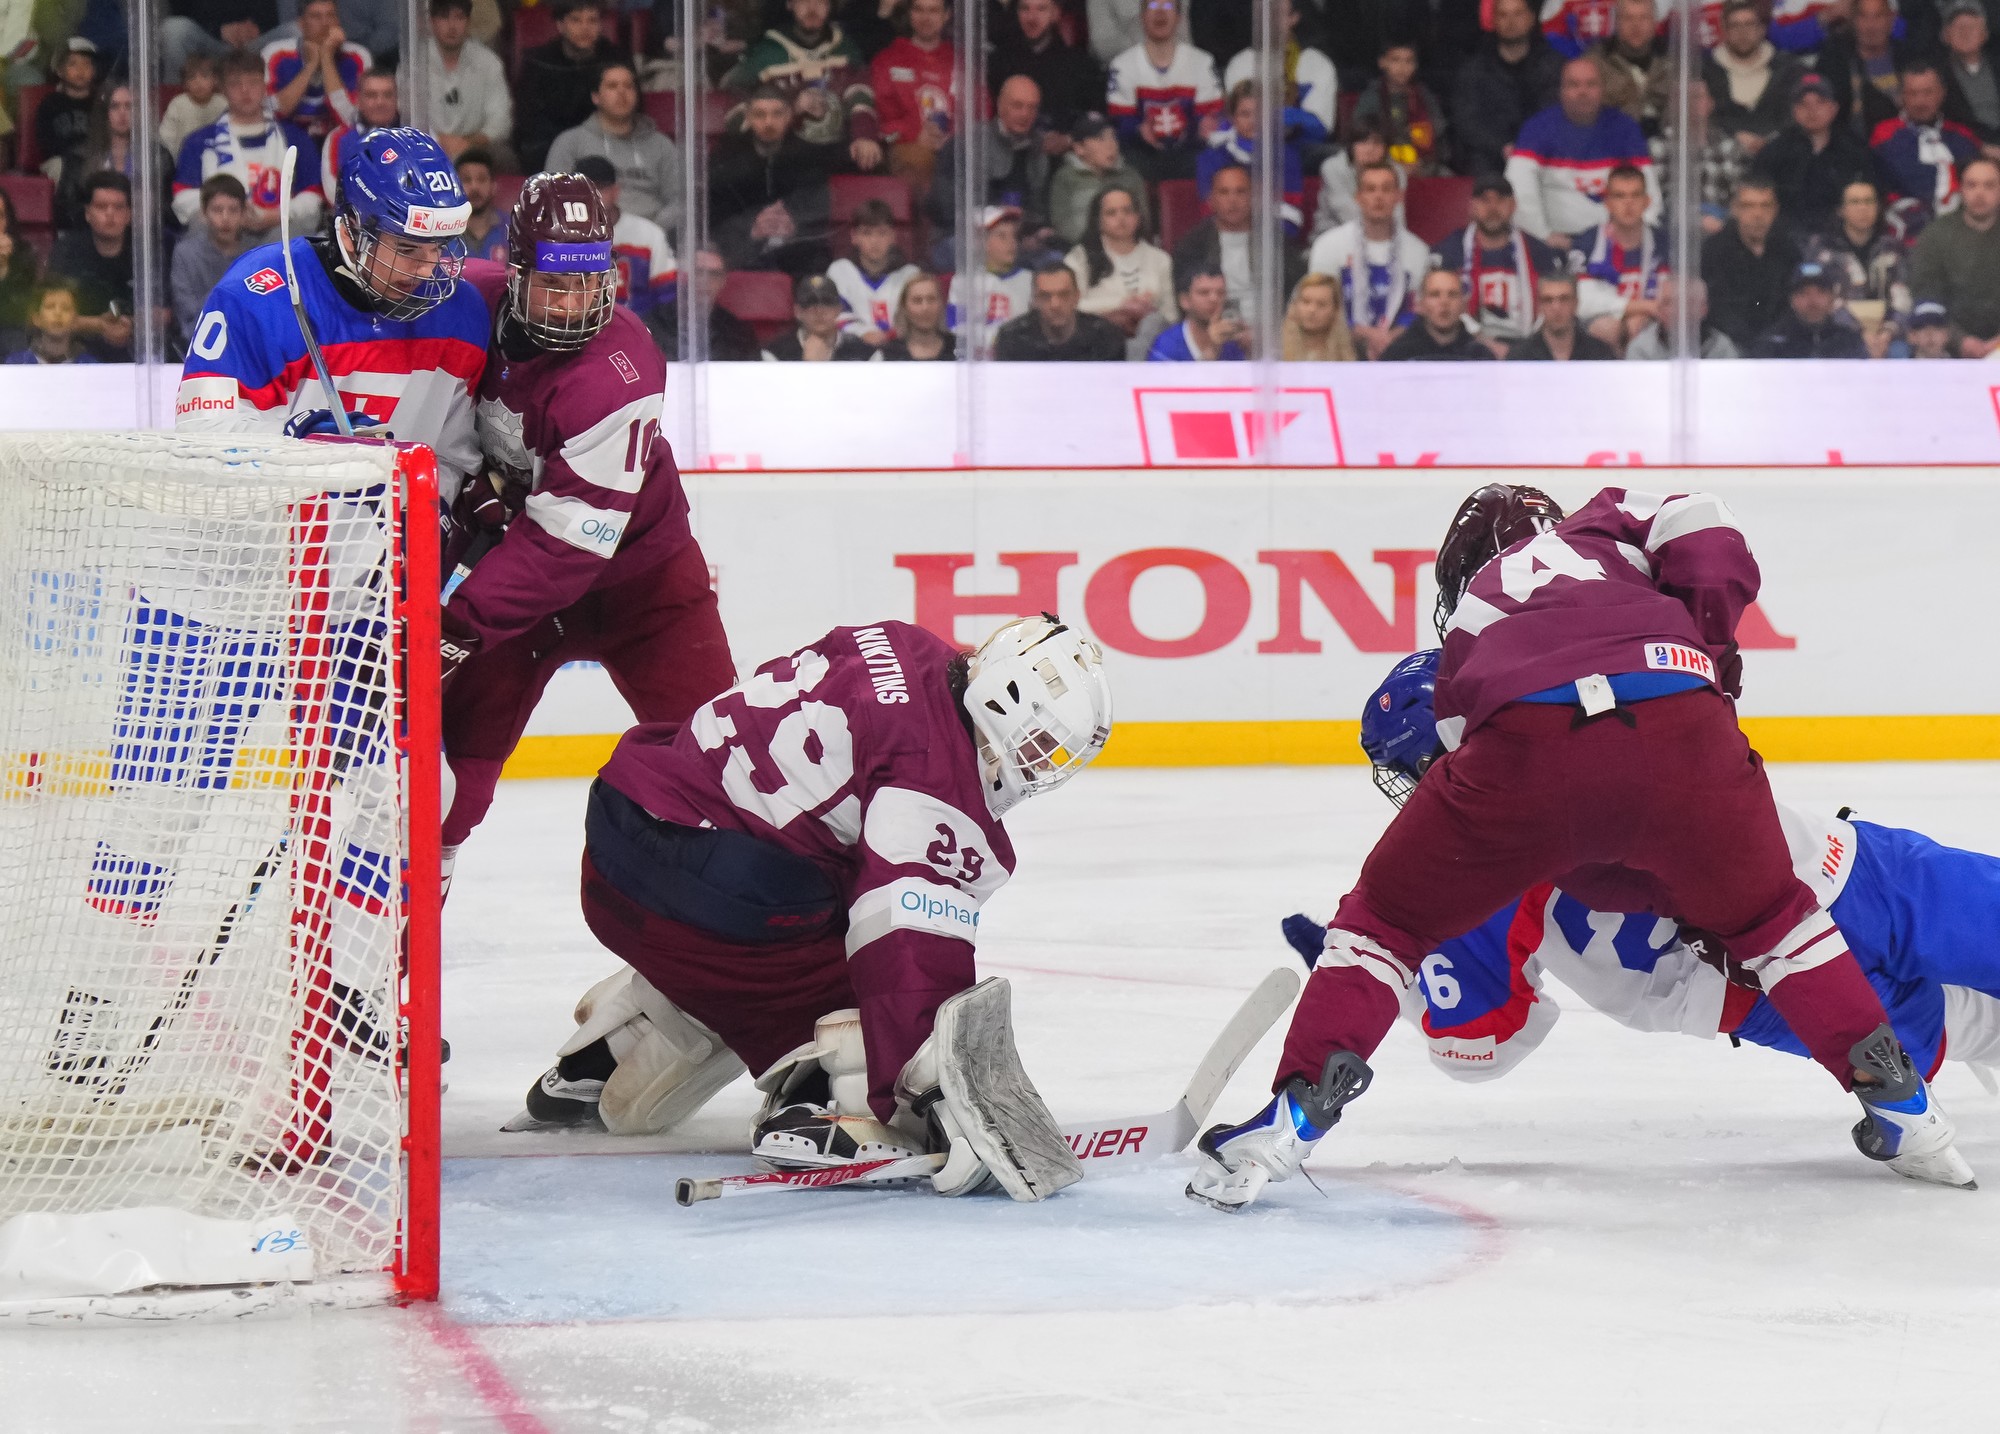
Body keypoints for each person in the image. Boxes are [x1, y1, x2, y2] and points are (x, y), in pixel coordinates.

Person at [1189, 482, 1965, 1213]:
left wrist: (1394, 983)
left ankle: (1287, 1125)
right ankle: (1907, 1113)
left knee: (1380, 926)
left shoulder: (1473, 636)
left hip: (1624, 862)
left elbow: (1480, 1038)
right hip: (1779, 816)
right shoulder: (1606, 526)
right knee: (1781, 926)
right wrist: (1708, 666)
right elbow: (1706, 527)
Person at [510, 614, 1111, 1209]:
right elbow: (910, 945)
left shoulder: (902, 643)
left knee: (821, 876)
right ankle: (822, 1104)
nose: (1037, 769)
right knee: (862, 999)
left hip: (626, 828)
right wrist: (936, 1091)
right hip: (701, 899)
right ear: (997, 703)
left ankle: (605, 1053)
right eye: (1036, 746)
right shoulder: (932, 779)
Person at [1310, 650, 2000, 1118]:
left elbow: (1481, 1049)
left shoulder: (1461, 879)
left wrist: (1385, 976)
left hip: (1758, 978)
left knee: (1975, 1031)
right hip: (1827, 875)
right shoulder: (1579, 717)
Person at [444, 173, 735, 895]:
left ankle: (749, 937)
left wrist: (456, 625)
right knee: (452, 772)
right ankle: (406, 909)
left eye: (588, 285)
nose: (574, 307)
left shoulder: (618, 372)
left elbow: (566, 548)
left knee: (727, 768)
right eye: (554, 286)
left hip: (645, 587)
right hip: (524, 579)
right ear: (515, 273)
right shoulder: (466, 300)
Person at [174, 125, 485, 492]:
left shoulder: (462, 314)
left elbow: (449, 455)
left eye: (439, 246)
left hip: (392, 529)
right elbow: (200, 438)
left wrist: (435, 510)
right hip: (274, 526)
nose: (428, 269)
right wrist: (293, 444)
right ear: (351, 231)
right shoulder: (255, 297)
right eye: (407, 249)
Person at [1507, 56, 1659, 246]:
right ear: (1561, 90)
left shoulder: (1625, 128)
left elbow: (1648, 190)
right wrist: (1543, 236)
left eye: (1591, 84)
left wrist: (1637, 238)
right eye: (1574, 85)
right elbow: (1520, 189)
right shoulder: (1537, 129)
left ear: (1602, 89)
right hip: (1552, 244)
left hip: (1615, 245)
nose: (1583, 92)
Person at [172, 48, 322, 239]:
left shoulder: (295, 138)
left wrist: (279, 215)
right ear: (222, 90)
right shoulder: (199, 142)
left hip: (279, 233)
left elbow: (312, 196)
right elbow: (183, 198)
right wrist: (228, 214)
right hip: (222, 239)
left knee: (294, 237)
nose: (245, 91)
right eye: (235, 84)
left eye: (253, 82)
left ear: (264, 86)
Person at [725, 0, 883, 171]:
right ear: (790, 4)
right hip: (784, 154)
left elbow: (860, 94)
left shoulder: (846, 48)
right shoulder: (766, 51)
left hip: (836, 149)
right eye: (803, 1)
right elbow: (734, 105)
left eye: (820, 2)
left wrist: (864, 135)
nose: (812, 8)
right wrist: (791, 109)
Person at [708, 86, 838, 277]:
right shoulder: (726, 157)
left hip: (797, 253)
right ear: (748, 117)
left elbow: (819, 209)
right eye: (760, 114)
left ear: (789, 116)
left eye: (777, 114)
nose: (768, 122)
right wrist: (752, 226)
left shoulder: (808, 156)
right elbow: (715, 214)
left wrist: (793, 223)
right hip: (738, 252)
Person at [1308, 160, 1430, 360]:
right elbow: (1317, 305)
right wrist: (1364, 334)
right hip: (1337, 351)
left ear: (1399, 196)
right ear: (1358, 197)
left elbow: (1419, 308)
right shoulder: (1328, 245)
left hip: (1399, 350)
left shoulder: (1418, 251)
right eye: (1371, 189)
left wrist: (1390, 338)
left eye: (1386, 189)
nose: (1378, 197)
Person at [547, 61, 683, 240]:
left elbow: (680, 200)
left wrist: (650, 231)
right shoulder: (570, 142)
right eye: (612, 86)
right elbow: (553, 200)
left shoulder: (661, 145)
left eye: (628, 86)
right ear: (596, 97)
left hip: (651, 238)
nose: (621, 92)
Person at [1432, 175, 1559, 354]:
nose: (1492, 208)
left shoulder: (1539, 252)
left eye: (1500, 200)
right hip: (1467, 348)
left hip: (1528, 348)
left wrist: (1522, 351)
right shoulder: (1450, 251)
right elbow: (1439, 309)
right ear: (1472, 207)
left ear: (1513, 205)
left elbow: (1553, 307)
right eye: (1484, 200)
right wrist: (1486, 344)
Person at [1106, 0, 1223, 183]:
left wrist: (1200, 128)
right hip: (1142, 156)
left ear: (1179, 17)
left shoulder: (1202, 62)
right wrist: (1139, 130)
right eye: (1153, 6)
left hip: (1189, 154)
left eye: (1168, 6)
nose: (1160, 12)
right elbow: (1120, 122)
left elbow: (1209, 119)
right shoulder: (1122, 65)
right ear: (1142, 17)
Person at [1178, 162, 1301, 332]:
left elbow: (1294, 292)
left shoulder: (1274, 240)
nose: (1232, 200)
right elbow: (1186, 302)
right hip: (1213, 328)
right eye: (1224, 192)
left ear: (1253, 197)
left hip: (1272, 329)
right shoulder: (1192, 246)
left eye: (1241, 192)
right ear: (1211, 200)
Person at [1755, 72, 1876, 242]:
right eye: (1803, 104)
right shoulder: (1774, 152)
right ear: (1794, 111)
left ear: (1834, 109)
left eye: (1820, 102)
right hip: (1787, 239)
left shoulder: (1855, 150)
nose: (1812, 110)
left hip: (1843, 239)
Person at [1451, 0, 1563, 178]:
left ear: (1531, 18)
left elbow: (1554, 114)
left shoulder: (1553, 66)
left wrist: (1527, 148)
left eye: (1518, 14)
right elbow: (1467, 121)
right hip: (1489, 158)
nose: (1511, 22)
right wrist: (1501, 147)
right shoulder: (1474, 69)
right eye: (1503, 15)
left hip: (1542, 155)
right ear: (1493, 21)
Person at [1067, 183, 1176, 359]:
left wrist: (1145, 315)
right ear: (1098, 220)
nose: (1121, 218)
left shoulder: (1160, 259)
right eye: (1111, 213)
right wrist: (1121, 306)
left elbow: (1171, 316)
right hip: (1095, 344)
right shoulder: (1079, 258)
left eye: (1127, 211)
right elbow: (1070, 305)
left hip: (1151, 345)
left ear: (1138, 216)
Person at [1805, 177, 1910, 355]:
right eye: (1855, 202)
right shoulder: (1822, 249)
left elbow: (1903, 297)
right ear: (1841, 210)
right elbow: (1824, 300)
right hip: (1839, 334)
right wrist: (1860, 333)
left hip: (1888, 336)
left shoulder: (1893, 248)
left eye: (1869, 201)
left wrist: (1887, 332)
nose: (1863, 208)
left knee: (1900, 353)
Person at [1569, 162, 1669, 349]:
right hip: (1601, 324)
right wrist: (1640, 307)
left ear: (1647, 201)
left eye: (1635, 195)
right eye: (1619, 196)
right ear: (1607, 203)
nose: (1628, 203)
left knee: (1641, 326)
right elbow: (1581, 301)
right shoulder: (1588, 242)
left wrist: (1643, 313)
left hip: (1653, 321)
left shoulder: (1664, 243)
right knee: (1608, 328)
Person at [517, 0, 625, 172]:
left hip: (606, 144)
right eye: (576, 20)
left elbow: (628, 111)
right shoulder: (538, 62)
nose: (585, 28)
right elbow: (529, 121)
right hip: (549, 148)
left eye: (592, 20)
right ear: (560, 25)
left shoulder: (617, 59)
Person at [1871, 62, 1981, 227]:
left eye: (1928, 92)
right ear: (1901, 96)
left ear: (1942, 93)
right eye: (1912, 93)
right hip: (1906, 226)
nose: (1920, 101)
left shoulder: (1963, 136)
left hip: (1964, 226)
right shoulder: (1884, 135)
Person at [1911, 154, 2000, 356]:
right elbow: (1926, 295)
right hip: (1947, 346)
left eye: (1989, 186)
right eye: (1972, 185)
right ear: (1961, 189)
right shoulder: (1935, 236)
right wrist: (1959, 340)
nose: (1979, 193)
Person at [1197, 81, 1313, 236]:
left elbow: (1290, 216)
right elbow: (1211, 212)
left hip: (1275, 241)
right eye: (1245, 114)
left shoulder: (1287, 157)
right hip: (1223, 240)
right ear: (1232, 118)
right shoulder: (1211, 158)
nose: (1253, 121)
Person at [46, 171, 139, 361]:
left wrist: (131, 323)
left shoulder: (145, 250)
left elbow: (166, 312)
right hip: (77, 349)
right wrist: (99, 325)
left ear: (129, 214)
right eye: (101, 206)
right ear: (88, 213)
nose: (110, 214)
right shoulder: (66, 251)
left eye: (118, 207)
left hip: (138, 346)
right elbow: (49, 312)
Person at [571, 154, 677, 319]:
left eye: (599, 188)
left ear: (615, 191)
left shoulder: (650, 235)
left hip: (639, 328)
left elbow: (668, 297)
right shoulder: (556, 238)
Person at [1702, 175, 1798, 349]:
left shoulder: (1789, 250)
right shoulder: (1714, 251)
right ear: (1734, 209)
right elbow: (1716, 309)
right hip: (1728, 346)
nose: (1758, 214)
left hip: (1780, 345)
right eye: (1748, 206)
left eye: (1765, 206)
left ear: (1775, 210)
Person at [416, 0, 514, 168]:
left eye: (459, 18)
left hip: (477, 146)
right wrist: (438, 140)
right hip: (427, 146)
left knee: (506, 158)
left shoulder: (489, 62)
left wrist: (469, 142)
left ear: (468, 22)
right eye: (444, 17)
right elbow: (407, 114)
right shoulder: (415, 63)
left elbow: (501, 120)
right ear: (432, 22)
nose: (452, 26)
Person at [871, 0, 954, 193]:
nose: (926, 18)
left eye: (933, 11)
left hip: (956, 150)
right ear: (909, 14)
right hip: (908, 150)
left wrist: (952, 137)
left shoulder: (961, 61)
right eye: (919, 10)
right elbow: (883, 129)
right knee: (917, 159)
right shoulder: (886, 60)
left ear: (946, 15)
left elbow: (982, 111)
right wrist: (915, 135)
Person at [1703, 0, 1806, 156]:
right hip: (1721, 157)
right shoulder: (1704, 73)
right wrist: (1734, 137)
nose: (1742, 32)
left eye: (1749, 24)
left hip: (1781, 157)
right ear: (1724, 31)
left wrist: (1770, 141)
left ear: (1762, 29)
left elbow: (1798, 117)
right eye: (1735, 25)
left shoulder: (1789, 71)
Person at [1221, 0, 1337, 136]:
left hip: (1302, 146)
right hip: (1248, 144)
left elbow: (1320, 128)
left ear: (1294, 18)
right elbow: (1234, 121)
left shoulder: (1317, 64)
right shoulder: (1241, 63)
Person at [990, 0, 1106, 136]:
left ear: (1056, 14)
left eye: (1041, 9)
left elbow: (1096, 119)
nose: (1032, 18)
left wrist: (1068, 139)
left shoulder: (1082, 66)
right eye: (1025, 9)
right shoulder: (998, 62)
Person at [264, 0, 369, 141]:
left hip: (339, 140)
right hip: (288, 141)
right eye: (316, 16)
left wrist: (327, 58)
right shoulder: (276, 54)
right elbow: (272, 113)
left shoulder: (358, 56)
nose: (325, 23)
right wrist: (311, 66)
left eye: (331, 15)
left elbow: (351, 120)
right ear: (301, 24)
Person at [645, 242, 764, 361]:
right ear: (682, 275)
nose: (705, 280)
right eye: (698, 271)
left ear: (723, 281)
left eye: (714, 274)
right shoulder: (651, 326)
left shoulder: (739, 334)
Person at [1048, 111, 1150, 249]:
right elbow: (1062, 224)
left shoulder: (1130, 177)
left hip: (1126, 247)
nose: (1110, 145)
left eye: (1113, 137)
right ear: (1079, 148)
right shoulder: (1065, 178)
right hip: (1082, 249)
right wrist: (1094, 245)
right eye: (1100, 139)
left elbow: (1143, 221)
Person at [826, 197, 920, 345]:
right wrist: (863, 332)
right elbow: (833, 314)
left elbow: (917, 317)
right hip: (852, 349)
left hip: (899, 349)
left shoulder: (911, 274)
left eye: (882, 233)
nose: (874, 241)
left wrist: (890, 335)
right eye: (867, 233)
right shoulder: (840, 271)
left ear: (892, 236)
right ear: (854, 237)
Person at [1821, 0, 1914, 146]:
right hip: (1851, 150)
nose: (1871, 26)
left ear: (1891, 19)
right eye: (1863, 17)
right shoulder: (1834, 61)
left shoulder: (1909, 57)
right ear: (1853, 21)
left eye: (1878, 16)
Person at [993, 259, 1127, 359]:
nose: (1055, 304)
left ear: (1077, 297)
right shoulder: (1013, 338)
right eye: (1045, 296)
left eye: (1064, 294)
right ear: (1034, 300)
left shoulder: (1105, 337)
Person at [170, 174, 249, 338]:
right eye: (217, 210)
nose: (225, 218)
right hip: (198, 338)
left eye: (233, 210)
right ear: (204, 214)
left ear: (243, 214)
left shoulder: (254, 256)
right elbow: (187, 311)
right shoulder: (185, 254)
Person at [1351, 40, 1444, 176]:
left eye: (1409, 61)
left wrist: (1420, 163)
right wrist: (1394, 165)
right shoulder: (1372, 96)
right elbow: (1363, 135)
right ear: (1382, 62)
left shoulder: (1423, 96)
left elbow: (1438, 132)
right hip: (1380, 163)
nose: (1402, 67)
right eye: (1395, 60)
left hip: (1422, 164)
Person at [948, 206, 1034, 345]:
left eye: (1014, 235)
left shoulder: (1031, 279)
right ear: (980, 241)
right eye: (1001, 236)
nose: (1011, 242)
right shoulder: (963, 282)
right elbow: (956, 329)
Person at [1749, 259, 1869, 356]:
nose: (1812, 301)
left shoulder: (1849, 341)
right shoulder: (1772, 342)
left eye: (1821, 292)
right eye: (1803, 293)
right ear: (1792, 300)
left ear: (1832, 298)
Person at [321, 66, 399, 209]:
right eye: (371, 95)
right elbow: (333, 191)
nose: (380, 102)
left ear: (396, 99)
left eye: (388, 95)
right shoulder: (338, 138)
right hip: (354, 219)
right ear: (358, 99)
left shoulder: (414, 136)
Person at [1589, 0, 1670, 138]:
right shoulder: (1594, 64)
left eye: (1643, 18)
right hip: (1613, 142)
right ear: (1616, 23)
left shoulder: (1674, 59)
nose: (1636, 25)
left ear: (1655, 23)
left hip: (1670, 144)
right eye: (1628, 18)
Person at [1378, 268, 1492, 361]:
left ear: (1464, 305)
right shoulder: (1398, 355)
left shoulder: (1479, 355)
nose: (1444, 302)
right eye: (1435, 294)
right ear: (1420, 304)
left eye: (1452, 294)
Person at [1313, 123, 1404, 237]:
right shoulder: (1332, 167)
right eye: (1363, 142)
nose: (1370, 149)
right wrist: (1378, 236)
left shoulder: (1396, 172)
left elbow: (1397, 214)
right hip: (1332, 234)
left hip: (1383, 236)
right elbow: (1345, 212)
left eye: (1377, 143)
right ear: (1351, 146)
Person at [763, 272, 880, 359]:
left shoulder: (866, 354)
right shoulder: (775, 354)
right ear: (798, 311)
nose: (819, 311)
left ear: (839, 309)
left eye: (827, 302)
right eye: (810, 303)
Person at [1508, 268, 1616, 359]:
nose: (1556, 308)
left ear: (1576, 303)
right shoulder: (1520, 356)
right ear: (1540, 306)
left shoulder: (1600, 354)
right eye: (1548, 300)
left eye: (1564, 299)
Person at [1147, 262, 1247, 360]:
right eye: (1204, 293)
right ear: (1184, 301)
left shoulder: (1233, 342)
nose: (1214, 299)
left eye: (1221, 293)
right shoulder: (1166, 345)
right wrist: (1212, 350)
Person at [1624, 274, 1740, 357]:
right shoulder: (1641, 350)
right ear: (1659, 310)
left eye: (1686, 302)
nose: (1675, 311)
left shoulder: (1722, 349)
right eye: (1668, 303)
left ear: (1703, 309)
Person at [1939, 0, 2000, 146]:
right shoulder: (1939, 75)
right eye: (1958, 28)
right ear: (1946, 35)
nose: (1965, 33)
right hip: (1967, 147)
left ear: (1984, 34)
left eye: (1971, 27)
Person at [34, 39, 100, 167]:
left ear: (94, 71)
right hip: (60, 161)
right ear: (60, 71)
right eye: (72, 64)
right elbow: (46, 142)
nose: (81, 70)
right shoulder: (50, 104)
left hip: (95, 161)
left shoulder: (101, 103)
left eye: (86, 64)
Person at [4, 283, 97, 364]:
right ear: (36, 318)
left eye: (66, 308)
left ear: (75, 320)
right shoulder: (17, 363)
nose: (58, 313)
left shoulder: (91, 366)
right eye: (50, 307)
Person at [160, 53, 228, 164]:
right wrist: (178, 158)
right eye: (192, 78)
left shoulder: (223, 103)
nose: (198, 82)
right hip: (183, 161)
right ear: (185, 83)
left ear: (215, 80)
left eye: (204, 76)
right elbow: (166, 137)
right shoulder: (178, 104)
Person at [1278, 271, 1356, 360]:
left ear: (1335, 310)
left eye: (1321, 304)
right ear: (1295, 305)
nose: (1312, 310)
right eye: (1306, 302)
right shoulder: (1274, 350)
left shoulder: (1356, 353)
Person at [882, 271, 955, 359]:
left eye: (931, 299)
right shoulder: (889, 353)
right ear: (904, 307)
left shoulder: (959, 349)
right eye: (917, 300)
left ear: (941, 304)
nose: (925, 308)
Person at [455, 148, 510, 263]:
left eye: (482, 179)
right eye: (466, 180)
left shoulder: (514, 229)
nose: (474, 187)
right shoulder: (443, 232)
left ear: (493, 187)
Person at [0, 188, 39, 347]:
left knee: (14, 334)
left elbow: (22, 313)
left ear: (7, 221)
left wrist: (3, 268)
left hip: (10, 335)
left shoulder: (23, 254)